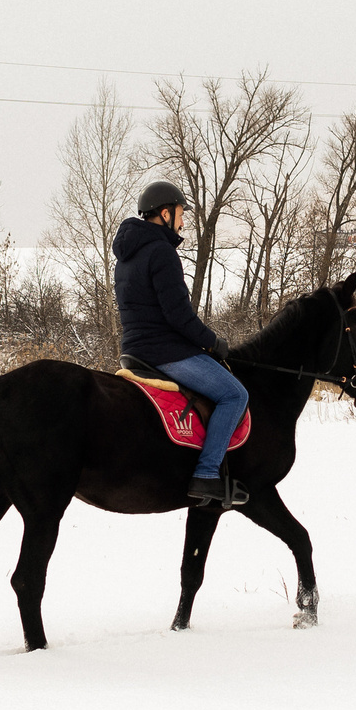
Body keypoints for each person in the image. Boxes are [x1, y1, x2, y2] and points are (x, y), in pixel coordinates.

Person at [114, 181, 249, 506]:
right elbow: (178, 316)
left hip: (133, 351)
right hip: (165, 353)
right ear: (164, 213)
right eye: (179, 213)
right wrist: (214, 343)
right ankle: (206, 475)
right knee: (235, 394)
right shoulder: (161, 252)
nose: (183, 221)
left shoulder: (127, 256)